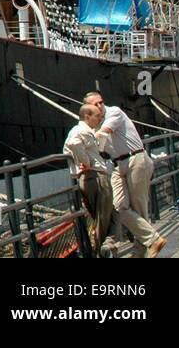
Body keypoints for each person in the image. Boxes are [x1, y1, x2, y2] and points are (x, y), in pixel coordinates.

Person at [84, 91, 166, 258]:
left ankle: (139, 252)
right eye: (95, 104)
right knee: (119, 206)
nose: (100, 106)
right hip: (117, 165)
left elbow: (104, 133)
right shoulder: (94, 123)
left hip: (136, 159)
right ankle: (153, 239)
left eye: (101, 102)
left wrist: (89, 137)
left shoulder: (114, 112)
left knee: (139, 207)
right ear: (88, 107)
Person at [63, 102, 114, 254]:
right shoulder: (80, 130)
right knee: (102, 217)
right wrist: (85, 162)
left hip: (91, 177)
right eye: (97, 116)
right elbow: (74, 143)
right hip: (94, 176)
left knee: (105, 215)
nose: (100, 118)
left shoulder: (83, 130)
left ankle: (102, 249)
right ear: (87, 116)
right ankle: (98, 251)